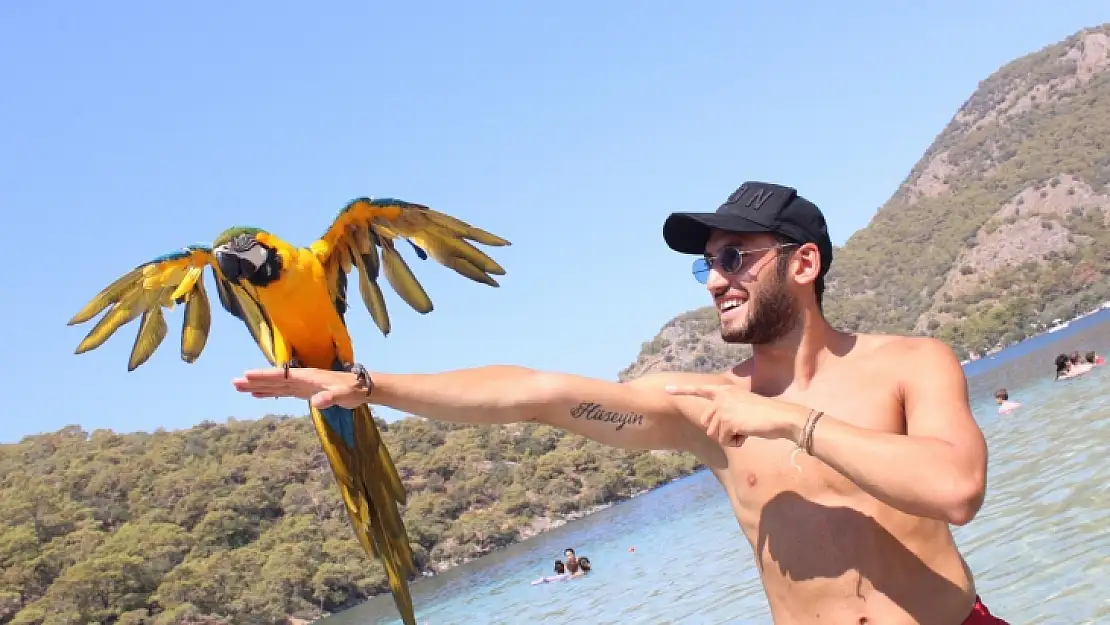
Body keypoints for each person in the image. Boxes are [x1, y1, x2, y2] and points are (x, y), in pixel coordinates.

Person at [233, 181, 1007, 625]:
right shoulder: (706, 405)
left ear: (803, 262)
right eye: (707, 263)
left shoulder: (912, 363)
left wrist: (788, 420)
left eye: (735, 257)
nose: (714, 279)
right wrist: (373, 386)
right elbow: (537, 394)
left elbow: (956, 489)